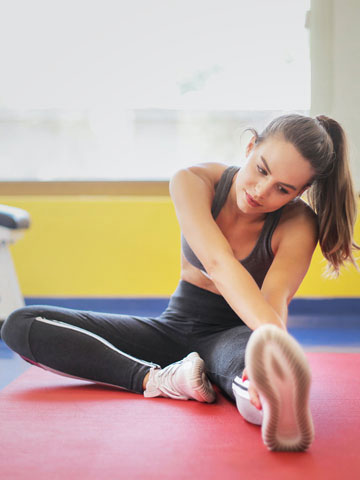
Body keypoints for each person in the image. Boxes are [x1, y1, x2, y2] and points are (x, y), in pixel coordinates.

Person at [1, 113, 359, 452]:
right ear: (250, 146)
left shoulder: (298, 223)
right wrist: (273, 339)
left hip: (235, 335)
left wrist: (269, 352)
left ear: (300, 192)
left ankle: (271, 398)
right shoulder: (192, 180)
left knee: (252, 377)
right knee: (21, 324)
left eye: (282, 188)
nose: (262, 191)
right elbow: (217, 263)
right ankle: (157, 379)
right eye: (261, 170)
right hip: (171, 328)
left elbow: (275, 299)